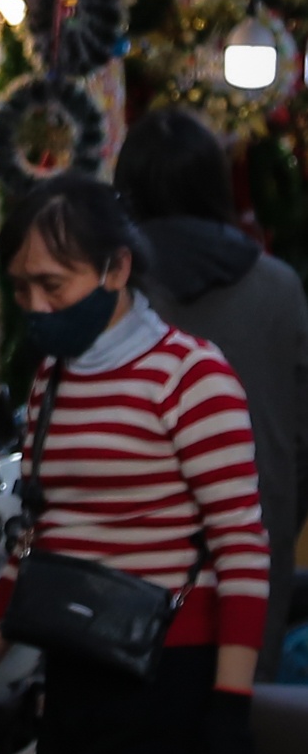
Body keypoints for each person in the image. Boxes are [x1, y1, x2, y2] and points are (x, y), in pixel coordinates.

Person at [0, 171, 269, 754]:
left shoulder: (192, 377)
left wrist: (229, 705)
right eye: (22, 288)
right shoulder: (53, 380)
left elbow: (241, 549)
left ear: (116, 268)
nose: (37, 307)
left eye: (54, 285)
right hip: (73, 671)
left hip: (166, 675)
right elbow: (38, 540)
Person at [115, 105, 308, 678]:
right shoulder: (277, 286)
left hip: (123, 564)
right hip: (251, 551)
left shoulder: (109, 291)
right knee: (238, 731)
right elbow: (300, 441)